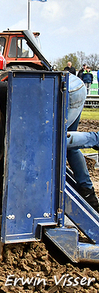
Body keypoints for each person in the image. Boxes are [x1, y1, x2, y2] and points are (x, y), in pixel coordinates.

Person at [67, 74, 99, 211]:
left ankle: (96, 138)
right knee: (70, 147)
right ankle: (87, 191)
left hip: (67, 92)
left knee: (58, 139)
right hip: (75, 85)